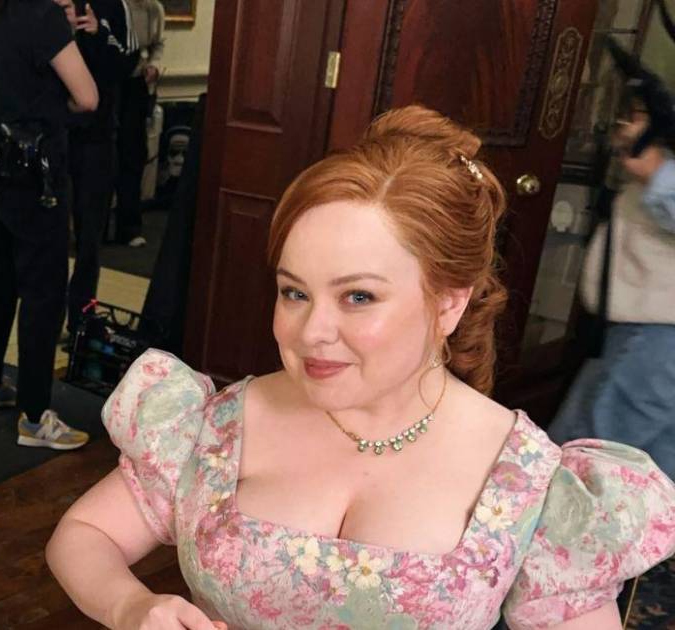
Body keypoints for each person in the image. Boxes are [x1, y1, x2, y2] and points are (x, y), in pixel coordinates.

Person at [47, 106, 675, 629]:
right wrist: (131, 605)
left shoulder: (525, 479)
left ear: (449, 303)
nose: (311, 332)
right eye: (294, 292)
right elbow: (85, 533)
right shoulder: (215, 425)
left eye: (358, 296)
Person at [0, 0, 98, 450]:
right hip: (38, 172)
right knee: (43, 294)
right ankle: (34, 416)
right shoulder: (42, 15)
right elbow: (87, 97)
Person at [548, 106, 675, 478]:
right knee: (651, 473)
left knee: (583, 463)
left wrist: (656, 171)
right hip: (648, 327)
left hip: (656, 333)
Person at [67, 0, 131, 335]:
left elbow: (125, 66)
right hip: (54, 136)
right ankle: (46, 322)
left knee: (90, 239)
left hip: (97, 139)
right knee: (48, 240)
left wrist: (98, 34)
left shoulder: (115, 6)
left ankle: (81, 320)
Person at [112, 0, 164, 248]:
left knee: (133, 155)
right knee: (104, 156)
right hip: (108, 82)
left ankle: (129, 227)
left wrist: (154, 65)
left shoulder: (153, 8)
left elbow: (158, 44)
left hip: (136, 86)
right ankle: (95, 228)